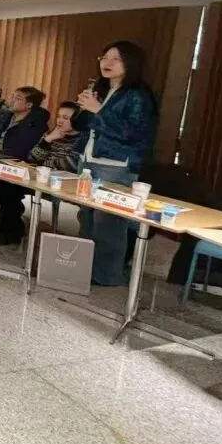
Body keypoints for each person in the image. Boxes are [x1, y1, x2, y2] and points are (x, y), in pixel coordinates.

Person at [75, 41, 158, 286]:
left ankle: (106, 275)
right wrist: (85, 108)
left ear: (130, 63)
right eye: (104, 57)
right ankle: (83, 269)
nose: (107, 63)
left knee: (108, 222)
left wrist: (98, 110)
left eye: (115, 59)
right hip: (88, 160)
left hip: (116, 165)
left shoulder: (138, 95)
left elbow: (132, 133)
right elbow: (80, 126)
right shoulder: (102, 90)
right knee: (85, 217)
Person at [0, 87, 50, 245]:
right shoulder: (9, 117)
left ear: (29, 105)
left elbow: (21, 152)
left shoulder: (34, 124)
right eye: (12, 96)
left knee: (7, 188)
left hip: (23, 168)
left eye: (18, 98)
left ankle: (11, 231)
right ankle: (4, 224)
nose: (11, 100)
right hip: (0, 159)